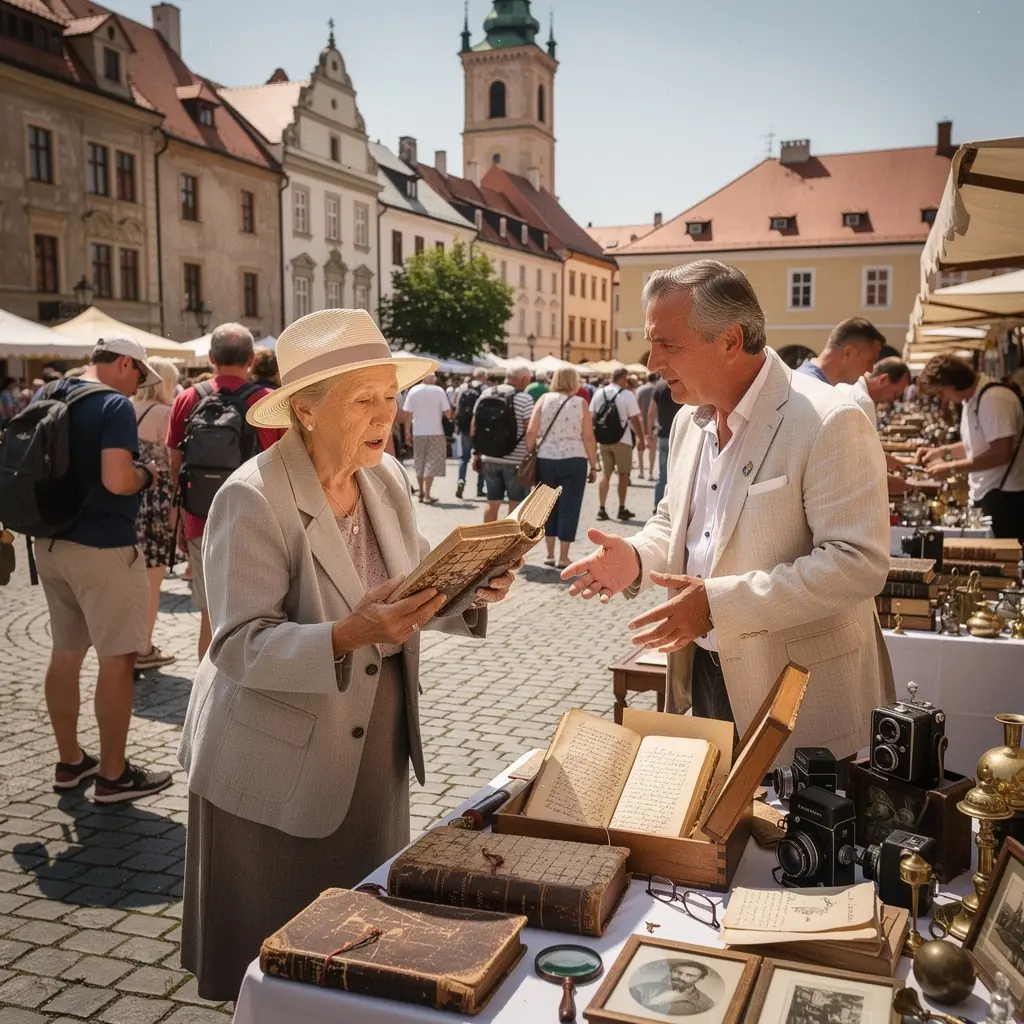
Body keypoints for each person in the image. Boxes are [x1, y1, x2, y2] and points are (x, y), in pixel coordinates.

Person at [177, 309, 519, 1000]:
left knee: (359, 940)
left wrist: (471, 587)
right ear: (304, 410)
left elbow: (408, 584)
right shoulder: (252, 495)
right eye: (363, 399)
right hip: (274, 757)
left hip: (372, 747)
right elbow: (236, 643)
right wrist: (349, 634)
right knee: (282, 949)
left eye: (389, 396)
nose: (384, 416)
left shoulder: (384, 476)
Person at [562, 260, 893, 760]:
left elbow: (856, 565)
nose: (651, 362)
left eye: (668, 345)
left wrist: (717, 605)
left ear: (731, 341)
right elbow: (677, 523)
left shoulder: (829, 419)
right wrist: (635, 556)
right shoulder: (687, 423)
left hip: (800, 696)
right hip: (706, 675)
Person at [33, 337, 173, 802]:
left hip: (50, 542)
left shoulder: (48, 393)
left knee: (66, 652)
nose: (138, 386)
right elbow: (117, 478)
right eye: (138, 376)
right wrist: (146, 475)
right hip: (103, 546)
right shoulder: (113, 405)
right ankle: (113, 774)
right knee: (118, 657)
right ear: (125, 363)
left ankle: (70, 761)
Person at [166, 324, 281, 662]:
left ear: (211, 358)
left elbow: (175, 464)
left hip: (200, 520)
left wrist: (183, 516)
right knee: (258, 614)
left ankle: (207, 692)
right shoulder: (265, 402)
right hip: (257, 522)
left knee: (210, 616)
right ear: (250, 359)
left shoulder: (187, 398)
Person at [916, 354, 1024, 542]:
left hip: (1006, 497)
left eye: (941, 392)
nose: (943, 398)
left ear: (953, 382)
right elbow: (975, 445)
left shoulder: (994, 398)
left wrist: (951, 468)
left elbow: (1001, 453)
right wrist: (942, 452)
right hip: (989, 493)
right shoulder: (971, 399)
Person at [132, 356, 180, 672]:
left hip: (127, 500)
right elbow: (174, 465)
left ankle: (127, 645)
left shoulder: (126, 408)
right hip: (157, 503)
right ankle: (143, 648)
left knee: (130, 580)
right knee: (152, 582)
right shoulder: (165, 414)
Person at [525, 366, 599, 569]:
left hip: (547, 459)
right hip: (574, 459)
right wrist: (593, 465)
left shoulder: (543, 400)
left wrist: (530, 453)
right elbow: (588, 437)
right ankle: (563, 556)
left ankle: (548, 553)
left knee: (547, 507)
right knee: (570, 506)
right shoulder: (580, 403)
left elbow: (531, 431)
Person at [473, 367, 534, 522]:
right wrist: (531, 453)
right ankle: (509, 542)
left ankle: (488, 539)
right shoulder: (525, 399)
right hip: (516, 460)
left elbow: (474, 426)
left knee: (492, 502)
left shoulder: (486, 393)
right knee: (516, 503)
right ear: (523, 380)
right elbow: (530, 430)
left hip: (489, 457)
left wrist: (476, 453)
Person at [591, 366, 645, 522]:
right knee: (623, 475)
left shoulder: (599, 393)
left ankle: (602, 509)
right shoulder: (627, 395)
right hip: (623, 440)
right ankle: (621, 508)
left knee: (605, 475)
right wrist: (641, 438)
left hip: (604, 440)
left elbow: (592, 416)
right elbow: (635, 419)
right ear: (622, 378)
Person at [401, 372, 451, 503]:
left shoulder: (413, 390)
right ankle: (427, 492)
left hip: (418, 431)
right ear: (433, 379)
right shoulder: (439, 391)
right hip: (436, 431)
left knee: (419, 462)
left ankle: (421, 492)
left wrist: (407, 431)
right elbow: (448, 412)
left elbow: (408, 414)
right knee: (432, 463)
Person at [797, 318, 886, 386]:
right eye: (869, 361)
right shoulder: (812, 388)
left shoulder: (808, 381)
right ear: (848, 353)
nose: (870, 370)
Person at [836, 356, 912, 429]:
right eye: (895, 394)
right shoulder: (864, 401)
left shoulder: (843, 384)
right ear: (883, 379)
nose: (893, 400)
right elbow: (867, 442)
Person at [630, 961, 715, 1016]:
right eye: (677, 972)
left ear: (700, 979)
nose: (681, 977)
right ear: (670, 971)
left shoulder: (706, 1003)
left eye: (690, 975)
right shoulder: (640, 989)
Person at [452, 369, 488, 499]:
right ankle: (480, 487)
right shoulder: (485, 389)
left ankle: (461, 481)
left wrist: (457, 424)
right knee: (480, 457)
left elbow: (457, 407)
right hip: (480, 428)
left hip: (465, 427)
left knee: (464, 457)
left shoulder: (463, 387)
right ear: (485, 376)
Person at [648, 376, 682, 509]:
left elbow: (651, 413)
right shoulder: (680, 384)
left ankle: (658, 505)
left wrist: (649, 433)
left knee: (663, 473)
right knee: (680, 471)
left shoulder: (658, 388)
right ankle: (676, 506)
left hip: (663, 435)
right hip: (680, 433)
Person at [635, 371, 660, 480]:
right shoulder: (658, 389)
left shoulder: (640, 390)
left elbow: (636, 408)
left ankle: (641, 472)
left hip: (640, 423)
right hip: (654, 423)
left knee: (640, 448)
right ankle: (650, 472)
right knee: (652, 450)